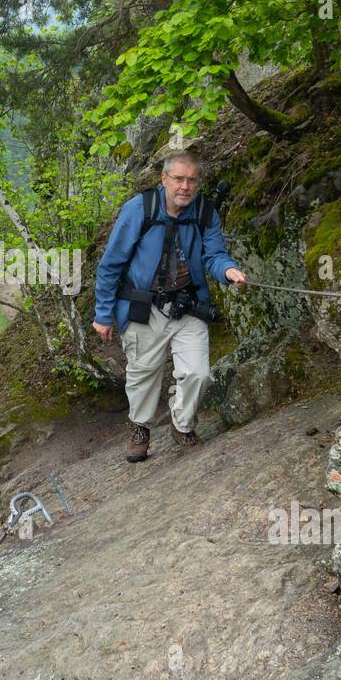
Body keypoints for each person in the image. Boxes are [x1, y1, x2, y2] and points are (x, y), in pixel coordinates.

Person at [92, 151, 247, 462]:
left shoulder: (205, 213)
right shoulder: (139, 209)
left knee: (198, 374)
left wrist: (228, 271)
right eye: (178, 179)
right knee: (143, 373)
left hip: (188, 304)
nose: (185, 186)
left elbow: (214, 255)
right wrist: (104, 314)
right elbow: (111, 264)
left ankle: (183, 425)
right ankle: (140, 427)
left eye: (191, 180)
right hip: (143, 305)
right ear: (164, 179)